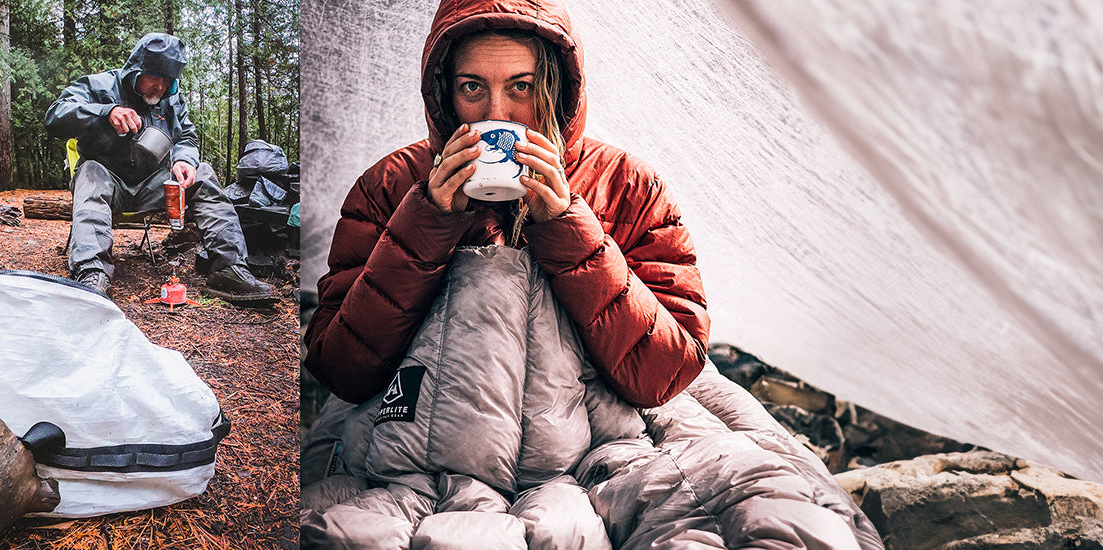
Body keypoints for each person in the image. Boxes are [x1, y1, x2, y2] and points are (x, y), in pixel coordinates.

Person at [302, 0, 711, 408]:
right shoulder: (389, 187)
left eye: (522, 86)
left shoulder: (628, 187)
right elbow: (341, 369)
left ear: (556, 86)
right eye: (472, 87)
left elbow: (666, 372)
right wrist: (426, 224)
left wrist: (569, 230)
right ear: (445, 94)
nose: (497, 114)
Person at [44, 33, 278, 304]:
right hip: (108, 183)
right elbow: (55, 115)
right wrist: (105, 113)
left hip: (154, 186)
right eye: (154, 77)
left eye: (168, 80)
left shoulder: (172, 101)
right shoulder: (99, 86)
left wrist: (184, 160)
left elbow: (187, 138)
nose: (160, 86)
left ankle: (229, 270)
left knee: (202, 172)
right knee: (90, 170)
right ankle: (91, 274)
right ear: (136, 70)